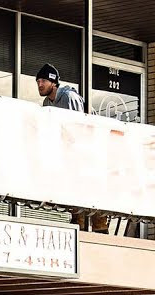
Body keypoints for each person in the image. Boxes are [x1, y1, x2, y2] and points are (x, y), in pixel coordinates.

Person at [35, 64, 107, 233]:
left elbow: (79, 129)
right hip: (67, 156)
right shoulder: (47, 103)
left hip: (87, 154)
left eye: (44, 80)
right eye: (38, 81)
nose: (40, 84)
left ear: (54, 82)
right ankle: (78, 227)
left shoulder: (69, 97)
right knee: (74, 195)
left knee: (92, 195)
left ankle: (100, 232)